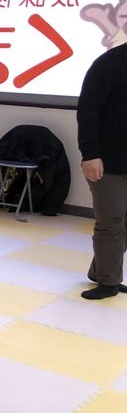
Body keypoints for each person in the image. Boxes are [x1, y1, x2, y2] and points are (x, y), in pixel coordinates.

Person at [77, 43, 127, 300]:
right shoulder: (110, 63)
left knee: (123, 223)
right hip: (106, 162)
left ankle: (101, 271)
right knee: (111, 220)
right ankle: (109, 282)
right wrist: (90, 154)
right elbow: (87, 110)